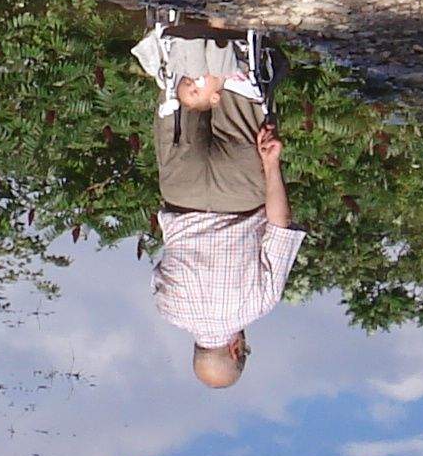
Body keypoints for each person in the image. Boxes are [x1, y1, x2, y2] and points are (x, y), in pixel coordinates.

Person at [130, 22, 306, 388]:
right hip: (182, 192)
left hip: (240, 192)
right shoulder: (168, 309)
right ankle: (181, 38)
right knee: (182, 95)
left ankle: (232, 38)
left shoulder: (259, 305)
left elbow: (280, 226)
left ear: (235, 350)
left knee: (240, 86)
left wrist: (271, 163)